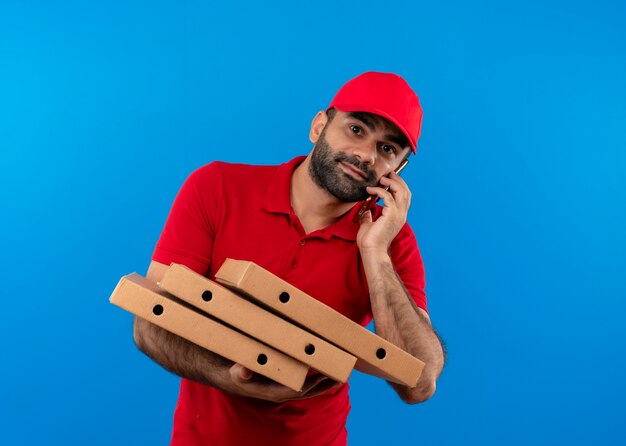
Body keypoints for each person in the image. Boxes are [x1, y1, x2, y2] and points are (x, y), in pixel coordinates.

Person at [134, 71, 446, 446]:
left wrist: (375, 253)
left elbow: (419, 383)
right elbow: (151, 323)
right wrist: (232, 378)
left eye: (388, 150)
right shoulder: (216, 187)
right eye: (357, 129)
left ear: (397, 172)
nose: (366, 155)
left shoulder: (393, 242)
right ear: (319, 126)